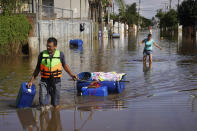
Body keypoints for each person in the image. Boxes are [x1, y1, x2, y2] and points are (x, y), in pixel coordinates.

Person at [27, 37, 77, 110]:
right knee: (42, 102)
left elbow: (65, 66)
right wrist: (31, 81)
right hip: (44, 81)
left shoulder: (60, 55)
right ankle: (43, 115)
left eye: (50, 46)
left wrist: (72, 75)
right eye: (47, 46)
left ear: (55, 46)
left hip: (56, 81)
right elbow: (37, 68)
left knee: (55, 104)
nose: (48, 47)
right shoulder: (41, 55)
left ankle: (55, 116)